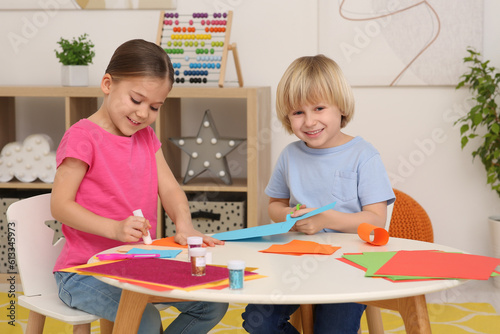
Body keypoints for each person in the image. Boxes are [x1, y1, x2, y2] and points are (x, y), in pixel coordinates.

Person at [51, 39, 228, 333]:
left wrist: (184, 225)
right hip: (83, 272)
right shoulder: (82, 137)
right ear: (107, 84)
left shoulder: (145, 136)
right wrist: (114, 229)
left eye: (155, 106)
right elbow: (60, 205)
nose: (144, 113)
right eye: (136, 100)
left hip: (138, 265)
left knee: (211, 303)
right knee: (144, 318)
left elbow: (170, 188)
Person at [241, 54, 395, 333]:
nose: (309, 121)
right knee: (257, 321)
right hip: (296, 262)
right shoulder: (290, 156)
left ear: (341, 107)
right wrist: (287, 214)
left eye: (319, 108)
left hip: (350, 265)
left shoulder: (364, 156)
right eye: (298, 112)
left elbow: (375, 221)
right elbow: (274, 205)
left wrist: (326, 218)